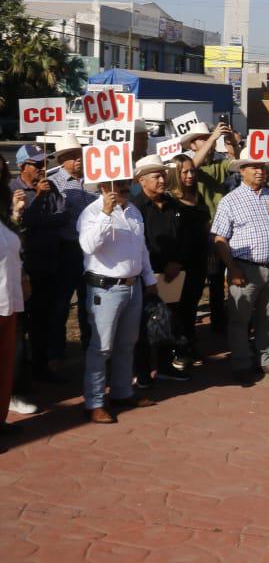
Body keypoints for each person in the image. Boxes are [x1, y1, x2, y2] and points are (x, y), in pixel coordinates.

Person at [78, 175, 161, 424]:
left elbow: (141, 248)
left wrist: (149, 279)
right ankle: (94, 402)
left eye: (126, 182)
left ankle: (122, 392)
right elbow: (89, 246)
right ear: (103, 187)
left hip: (133, 286)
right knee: (101, 348)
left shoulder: (134, 210)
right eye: (118, 184)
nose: (125, 187)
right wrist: (105, 214)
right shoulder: (91, 212)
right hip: (105, 289)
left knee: (127, 344)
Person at [211, 150, 269, 386]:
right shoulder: (231, 200)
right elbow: (219, 238)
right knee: (240, 319)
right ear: (242, 171)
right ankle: (241, 363)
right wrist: (232, 268)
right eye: (253, 167)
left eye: (262, 166)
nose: (260, 171)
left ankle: (265, 358)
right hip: (245, 268)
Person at [9, 144, 65, 406]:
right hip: (25, 266)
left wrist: (46, 202)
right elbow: (21, 224)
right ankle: (20, 377)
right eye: (37, 164)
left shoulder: (50, 187)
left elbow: (60, 217)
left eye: (44, 163)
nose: (43, 168)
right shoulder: (13, 190)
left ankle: (41, 366)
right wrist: (39, 201)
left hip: (49, 262)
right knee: (22, 325)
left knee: (45, 319)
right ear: (23, 167)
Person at [131, 155, 190, 383]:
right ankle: (143, 372)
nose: (162, 180)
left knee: (169, 320)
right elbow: (140, 243)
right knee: (145, 324)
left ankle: (165, 366)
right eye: (156, 176)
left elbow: (184, 237)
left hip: (173, 276)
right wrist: (156, 269)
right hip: (147, 276)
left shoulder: (173, 205)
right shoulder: (135, 208)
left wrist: (177, 262)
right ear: (142, 180)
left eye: (163, 175)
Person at [184, 121, 242, 334]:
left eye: (207, 137)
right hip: (199, 231)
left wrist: (232, 144)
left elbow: (236, 161)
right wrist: (212, 138)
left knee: (218, 280)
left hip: (220, 230)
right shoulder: (188, 164)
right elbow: (194, 166)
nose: (208, 140)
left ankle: (219, 322)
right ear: (192, 145)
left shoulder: (218, 163)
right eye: (201, 138)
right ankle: (190, 328)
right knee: (198, 280)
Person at [47, 133, 94, 369]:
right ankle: (56, 352)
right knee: (62, 303)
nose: (78, 160)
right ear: (61, 160)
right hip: (67, 249)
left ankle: (89, 348)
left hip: (91, 251)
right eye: (72, 156)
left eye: (79, 155)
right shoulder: (54, 181)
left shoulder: (94, 179)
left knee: (89, 304)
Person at [170, 154, 210, 366]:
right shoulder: (171, 200)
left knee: (191, 305)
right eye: (184, 171)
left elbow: (205, 225)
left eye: (192, 171)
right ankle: (178, 349)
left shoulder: (198, 197)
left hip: (199, 259)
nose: (189, 175)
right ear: (175, 174)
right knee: (177, 307)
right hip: (179, 263)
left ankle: (189, 344)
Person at [1, 170, 28, 442]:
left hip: (9, 301)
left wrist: (16, 215)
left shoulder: (3, 218)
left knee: (5, 367)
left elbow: (13, 247)